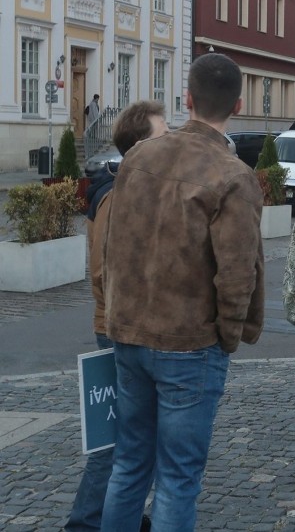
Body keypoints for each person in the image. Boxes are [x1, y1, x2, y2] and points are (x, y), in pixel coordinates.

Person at [99, 53, 265, 532]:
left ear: (187, 98)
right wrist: (228, 336)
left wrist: (116, 315)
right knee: (176, 479)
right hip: (190, 343)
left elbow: (114, 245)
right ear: (237, 104)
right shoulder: (234, 175)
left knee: (129, 466)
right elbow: (237, 274)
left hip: (130, 333)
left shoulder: (138, 157)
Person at [64, 101, 168, 532]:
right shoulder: (118, 195)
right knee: (117, 439)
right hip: (120, 327)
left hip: (126, 325)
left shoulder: (133, 187)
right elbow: (108, 271)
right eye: (165, 134)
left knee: (131, 437)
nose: (172, 141)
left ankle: (111, 516)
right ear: (142, 144)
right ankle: (87, 522)